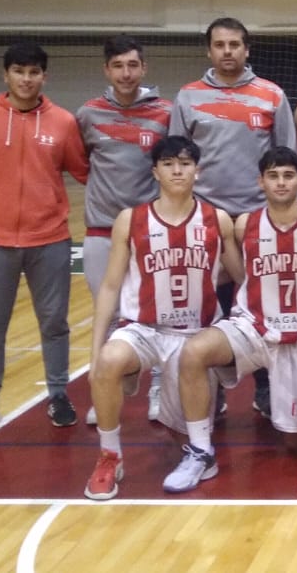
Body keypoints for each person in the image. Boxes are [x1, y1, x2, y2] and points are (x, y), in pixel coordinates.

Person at [162, 146, 297, 494]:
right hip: (252, 328)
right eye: (273, 176)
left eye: (288, 175)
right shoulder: (245, 224)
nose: (281, 182)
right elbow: (238, 275)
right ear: (261, 182)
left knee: (296, 444)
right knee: (195, 352)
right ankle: (200, 451)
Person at [82, 136, 238, 500]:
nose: (177, 171)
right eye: (168, 164)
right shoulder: (130, 220)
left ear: (198, 171)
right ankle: (110, 457)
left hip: (194, 335)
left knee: (179, 434)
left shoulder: (218, 220)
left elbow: (242, 278)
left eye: (185, 164)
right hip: (143, 329)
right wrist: (94, 351)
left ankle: (199, 450)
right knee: (108, 362)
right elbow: (110, 286)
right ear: (155, 172)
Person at [0, 41, 88, 437]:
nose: (26, 79)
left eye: (34, 72)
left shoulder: (63, 122)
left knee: (54, 322)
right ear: (5, 75)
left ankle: (58, 394)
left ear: (45, 76)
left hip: (50, 240)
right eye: (19, 71)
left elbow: (86, 172)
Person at [167, 17, 297, 419]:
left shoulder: (272, 95)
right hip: (206, 218)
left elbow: (286, 157)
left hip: (260, 217)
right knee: (210, 308)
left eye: (235, 44)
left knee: (263, 306)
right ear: (209, 50)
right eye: (220, 44)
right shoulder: (188, 96)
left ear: (247, 49)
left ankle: (265, 386)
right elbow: (177, 159)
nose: (228, 51)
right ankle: (214, 387)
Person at [76, 35, 172, 425]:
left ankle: (160, 388)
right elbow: (81, 164)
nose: (126, 73)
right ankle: (107, 392)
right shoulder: (88, 114)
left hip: (151, 229)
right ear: (106, 70)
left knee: (160, 312)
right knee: (109, 313)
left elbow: (174, 163)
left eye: (133, 65)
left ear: (144, 68)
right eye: (118, 66)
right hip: (102, 230)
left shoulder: (166, 113)